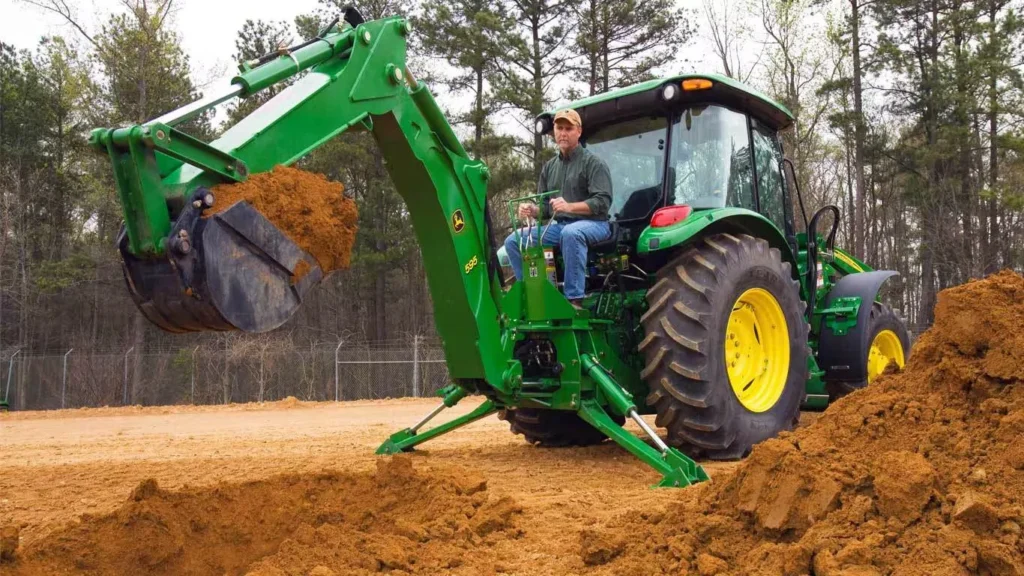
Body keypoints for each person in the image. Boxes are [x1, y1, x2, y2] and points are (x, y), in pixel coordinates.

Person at [503, 109, 613, 308]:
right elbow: (545, 209)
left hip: (596, 224)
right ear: (553, 131)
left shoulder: (593, 163)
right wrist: (531, 210)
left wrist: (569, 206)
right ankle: (534, 296)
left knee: (571, 233)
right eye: (559, 128)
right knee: (513, 241)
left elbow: (602, 203)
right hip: (561, 226)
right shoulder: (549, 167)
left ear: (578, 131)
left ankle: (574, 300)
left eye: (568, 128)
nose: (563, 133)